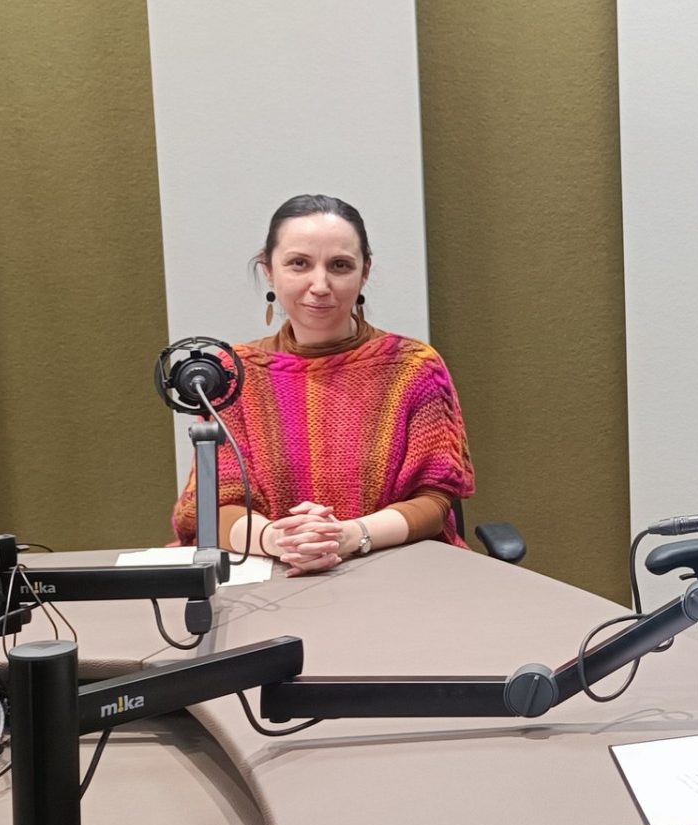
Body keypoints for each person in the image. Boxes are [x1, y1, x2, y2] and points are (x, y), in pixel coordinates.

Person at [171, 194, 475, 575]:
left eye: (340, 265)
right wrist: (276, 540)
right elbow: (216, 505)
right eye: (299, 263)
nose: (320, 285)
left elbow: (434, 501)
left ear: (365, 272)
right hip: (271, 580)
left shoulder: (414, 368)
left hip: (396, 574)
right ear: (269, 269)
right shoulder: (231, 375)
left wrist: (349, 536)